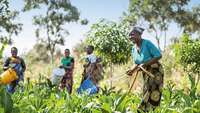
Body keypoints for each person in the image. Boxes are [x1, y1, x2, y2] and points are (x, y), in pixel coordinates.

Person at [126, 27, 164, 112]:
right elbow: (136, 63)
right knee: (146, 89)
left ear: (139, 35)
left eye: (132, 34)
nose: (130, 37)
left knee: (152, 91)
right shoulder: (133, 48)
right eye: (129, 35)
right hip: (145, 71)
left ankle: (145, 110)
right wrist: (131, 70)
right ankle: (146, 110)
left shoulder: (147, 43)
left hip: (155, 71)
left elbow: (158, 55)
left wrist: (145, 64)